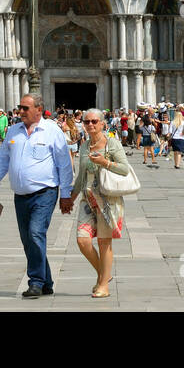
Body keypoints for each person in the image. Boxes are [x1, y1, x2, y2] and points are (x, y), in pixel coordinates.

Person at [0, 92, 74, 298]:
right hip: (20, 195)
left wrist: (66, 194)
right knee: (29, 240)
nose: (21, 111)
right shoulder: (13, 131)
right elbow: (2, 160)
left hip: (45, 193)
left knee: (36, 233)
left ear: (38, 109)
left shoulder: (52, 131)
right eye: (20, 107)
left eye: (25, 108)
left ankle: (35, 281)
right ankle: (47, 282)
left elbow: (64, 164)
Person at [69, 108, 131, 298]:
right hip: (87, 200)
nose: (90, 125)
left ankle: (103, 285)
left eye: (94, 121)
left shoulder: (112, 144)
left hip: (108, 200)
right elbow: (81, 175)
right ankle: (104, 274)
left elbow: (124, 169)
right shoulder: (85, 145)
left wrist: (106, 163)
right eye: (87, 122)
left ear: (103, 123)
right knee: (82, 240)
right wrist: (70, 198)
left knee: (104, 242)